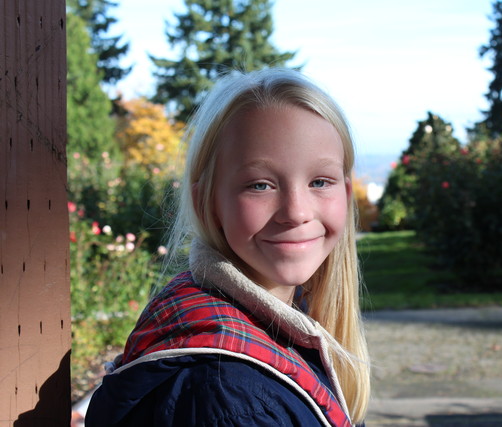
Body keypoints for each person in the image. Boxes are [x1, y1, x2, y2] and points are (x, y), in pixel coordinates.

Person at [85, 68, 370, 426]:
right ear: (209, 202)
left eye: (319, 181)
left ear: (345, 194)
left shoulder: (275, 324)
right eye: (260, 185)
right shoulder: (229, 399)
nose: (297, 212)